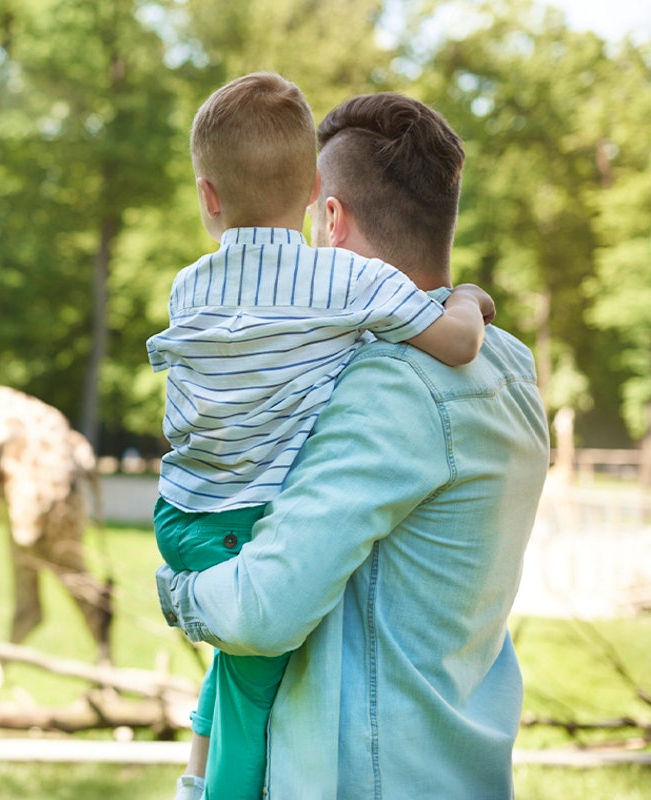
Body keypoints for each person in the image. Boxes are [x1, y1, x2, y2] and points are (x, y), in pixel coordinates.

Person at [156, 90, 549, 799]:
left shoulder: (389, 387)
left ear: (328, 217)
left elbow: (263, 608)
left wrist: (179, 593)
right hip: (461, 764)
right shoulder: (512, 367)